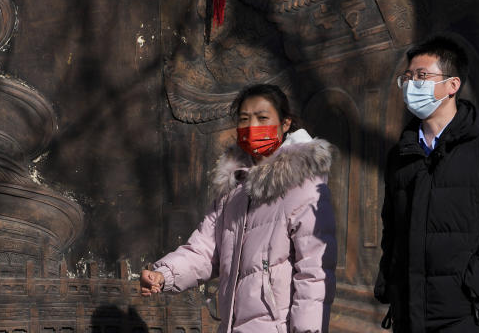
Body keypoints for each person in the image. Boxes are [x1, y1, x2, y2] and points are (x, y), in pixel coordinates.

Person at [140, 83, 337, 332]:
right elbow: (204, 250)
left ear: (285, 124)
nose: (252, 127)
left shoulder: (305, 185)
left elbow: (314, 272)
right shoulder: (234, 187)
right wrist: (164, 275)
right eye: (244, 119)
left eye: (262, 118)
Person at [374, 35, 479, 332]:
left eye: (422, 76)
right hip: (409, 313)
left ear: (452, 85)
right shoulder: (402, 155)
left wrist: (471, 284)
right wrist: (392, 282)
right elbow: (392, 228)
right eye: (407, 77)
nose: (411, 85)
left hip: (469, 314)